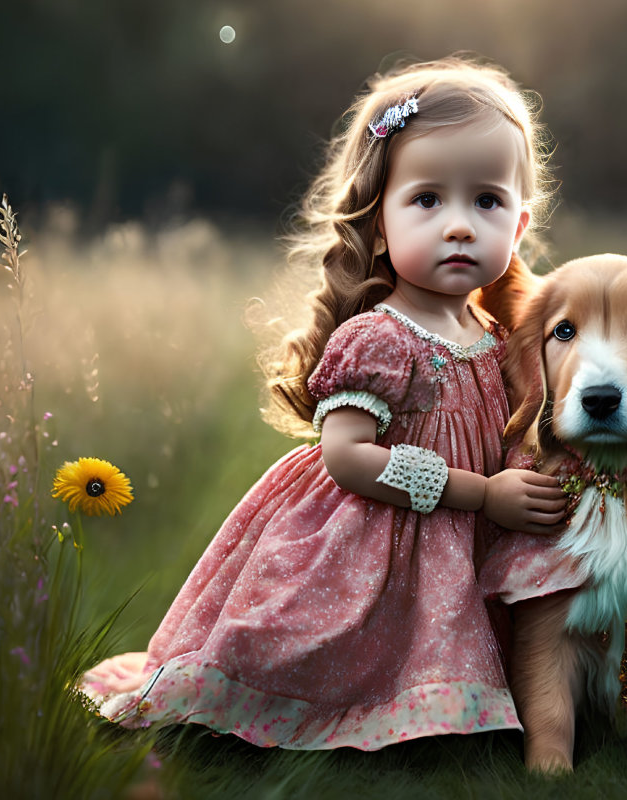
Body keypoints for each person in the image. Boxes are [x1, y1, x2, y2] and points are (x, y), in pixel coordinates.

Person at [78, 55, 578, 751]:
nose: (460, 225)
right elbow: (347, 458)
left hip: (464, 545)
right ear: (378, 224)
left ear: (518, 227)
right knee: (306, 642)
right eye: (428, 199)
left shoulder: (500, 342)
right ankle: (336, 710)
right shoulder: (379, 338)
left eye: (486, 201)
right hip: (371, 541)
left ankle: (448, 710)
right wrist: (480, 495)